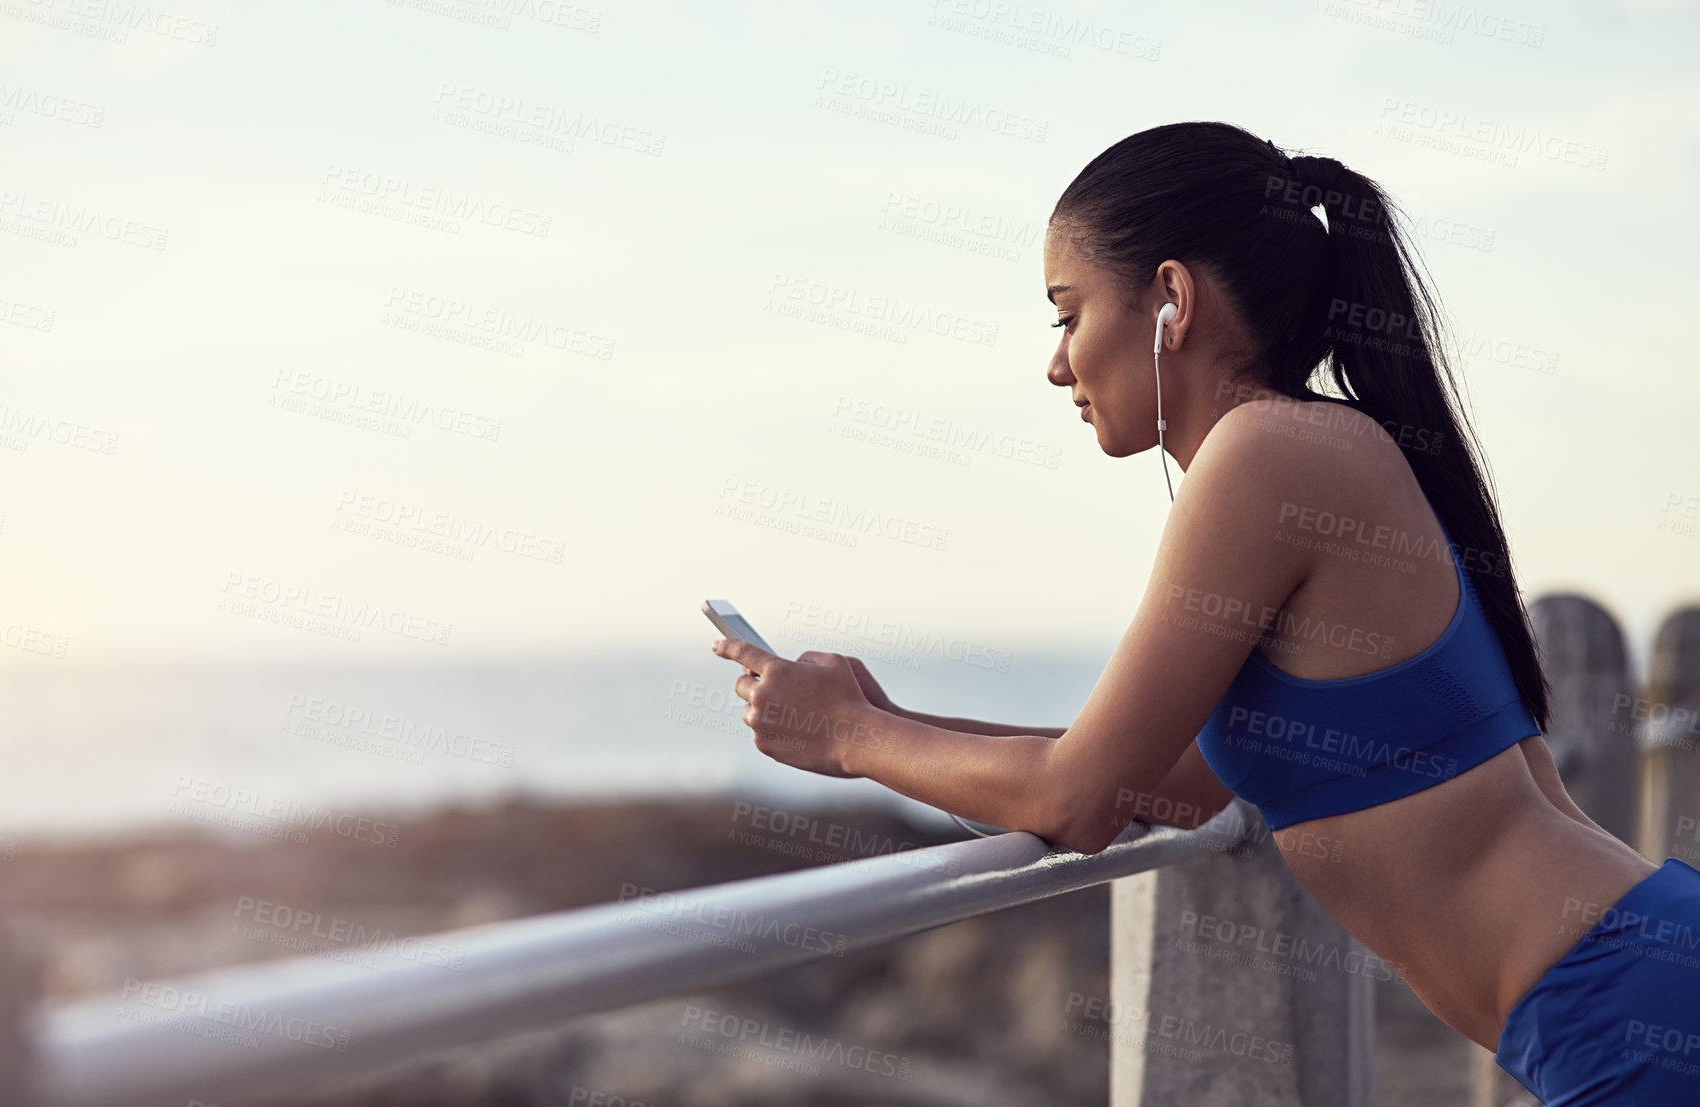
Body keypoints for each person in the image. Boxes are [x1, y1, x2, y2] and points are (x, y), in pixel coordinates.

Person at [710, 121, 1699, 1103]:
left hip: (1626, 1011)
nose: (1058, 366)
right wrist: (896, 724)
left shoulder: (1267, 454)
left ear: (1170, 300)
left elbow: (1076, 800)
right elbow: (1171, 786)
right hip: (1625, 991)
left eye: (1066, 314)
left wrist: (846, 738)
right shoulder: (1319, 447)